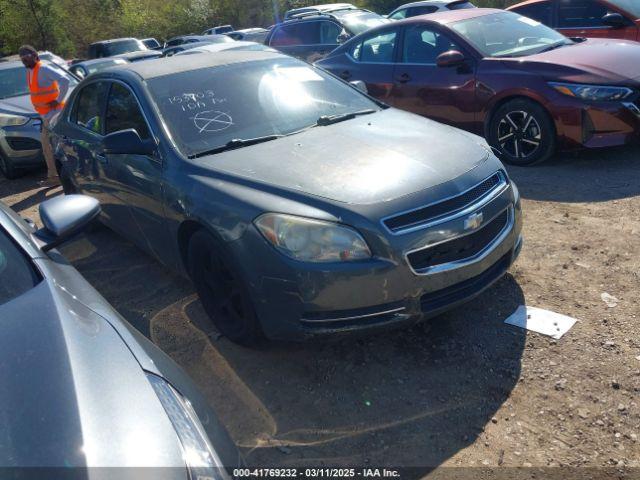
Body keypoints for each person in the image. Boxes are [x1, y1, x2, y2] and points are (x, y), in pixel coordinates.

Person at [19, 45, 73, 187]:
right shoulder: (30, 71)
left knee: (55, 146)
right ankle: (55, 177)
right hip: (45, 116)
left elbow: (65, 80)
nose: (24, 59)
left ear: (35, 56)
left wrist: (58, 100)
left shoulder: (43, 69)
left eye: (27, 56)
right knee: (49, 147)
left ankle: (59, 176)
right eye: (22, 57)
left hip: (54, 115)